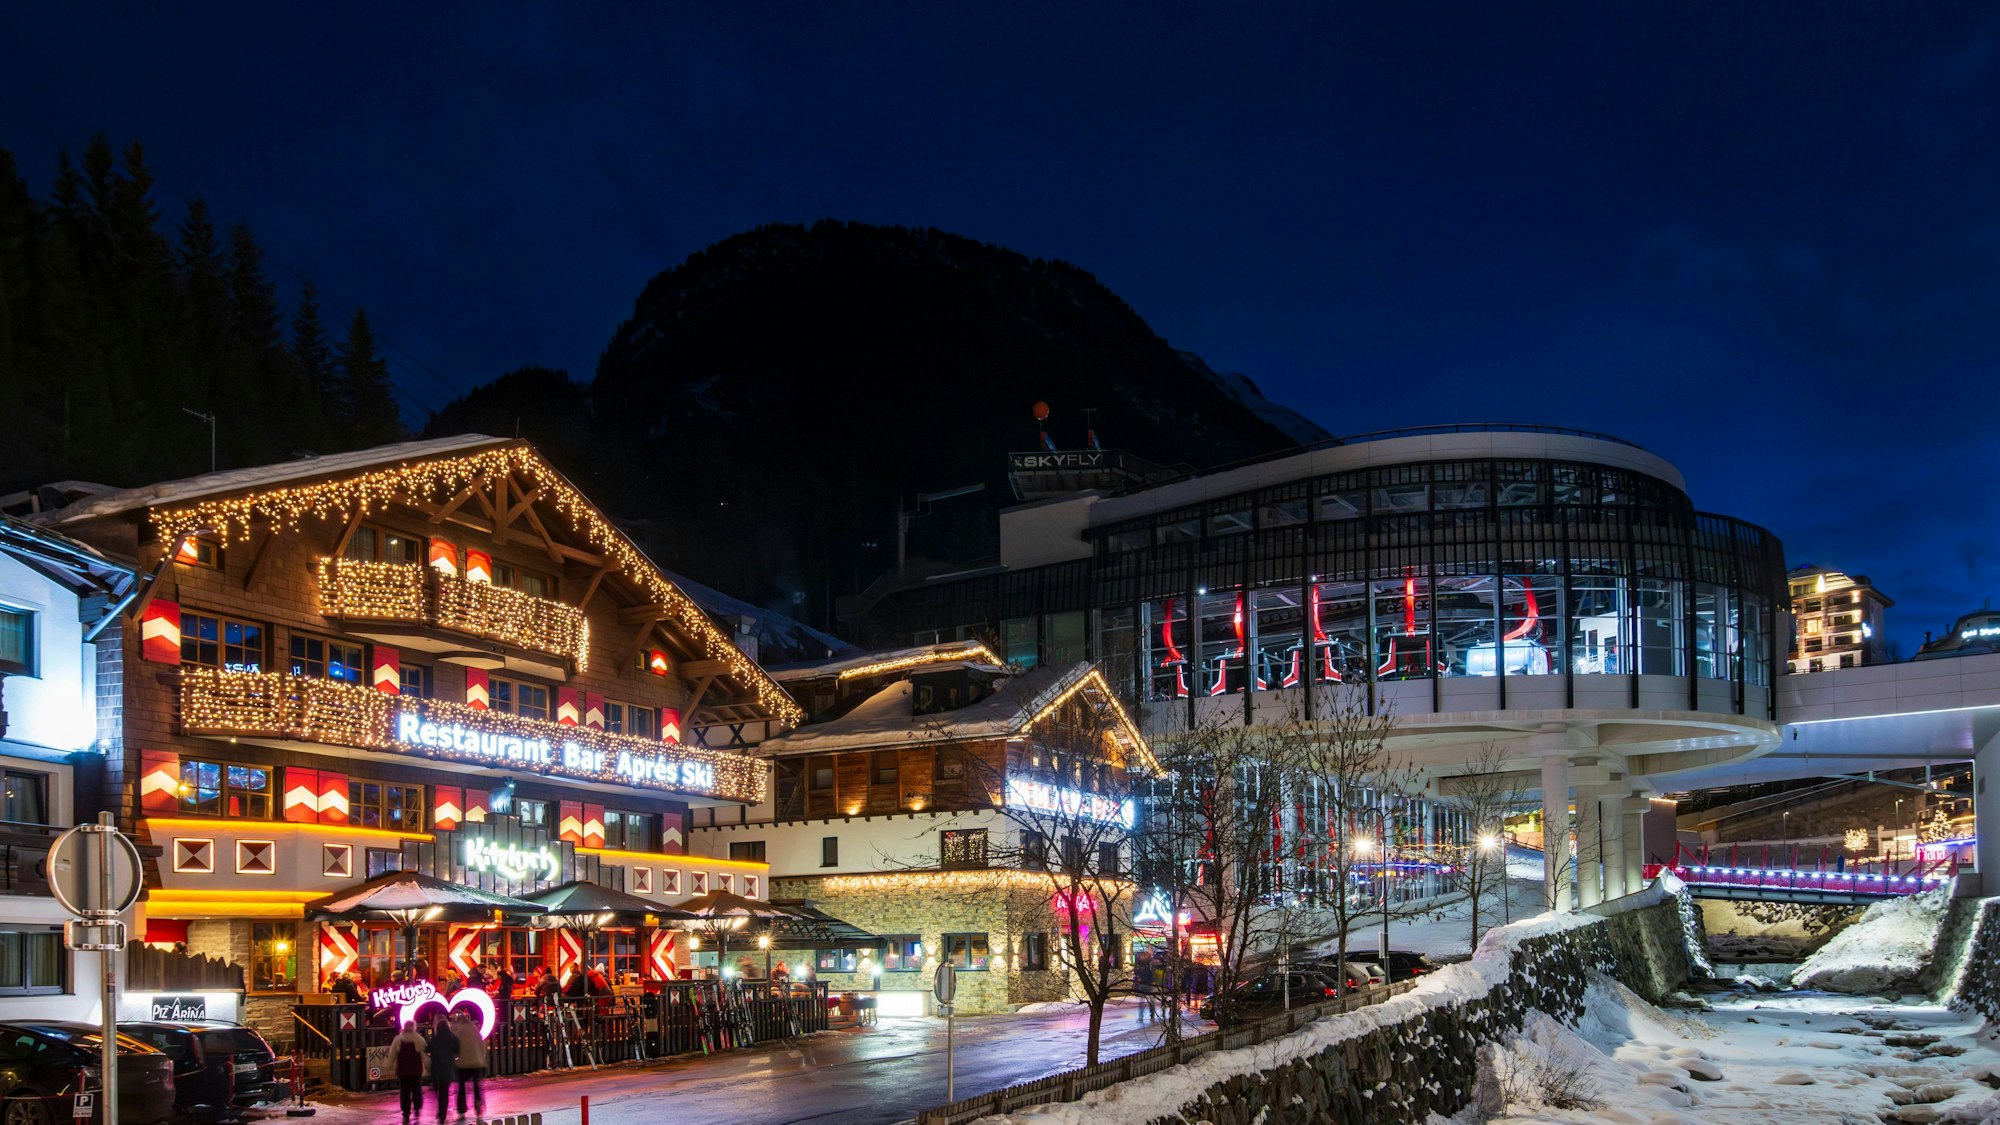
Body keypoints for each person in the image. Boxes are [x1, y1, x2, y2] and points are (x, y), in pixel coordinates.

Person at [449, 1008, 486, 1118]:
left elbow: (454, 1048)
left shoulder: (456, 1032)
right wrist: (482, 1059)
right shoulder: (475, 1030)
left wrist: (454, 1059)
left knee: (461, 1087)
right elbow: (482, 1045)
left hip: (462, 1064)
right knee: (476, 1085)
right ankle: (478, 1105)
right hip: (476, 1062)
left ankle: (461, 1110)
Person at [390, 1020, 426, 1124]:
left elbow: (392, 1055)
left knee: (404, 1092)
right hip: (416, 1070)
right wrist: (428, 1066)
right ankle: (417, 1108)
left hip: (403, 1070)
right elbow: (424, 1055)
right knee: (416, 1089)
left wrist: (388, 1066)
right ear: (414, 1027)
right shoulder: (419, 1039)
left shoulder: (398, 1039)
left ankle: (406, 1113)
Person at [424, 1012, 458, 1122]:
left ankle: (440, 1111)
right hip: (447, 1069)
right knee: (444, 1092)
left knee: (438, 1091)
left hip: (436, 1069)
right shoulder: (453, 1037)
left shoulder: (435, 1038)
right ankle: (442, 1114)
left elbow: (428, 1050)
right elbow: (457, 1050)